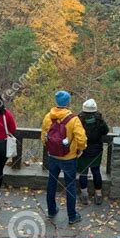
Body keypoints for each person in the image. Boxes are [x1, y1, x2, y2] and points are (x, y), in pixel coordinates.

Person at [42, 90, 87, 225]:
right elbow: (82, 138)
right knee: (70, 186)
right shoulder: (73, 119)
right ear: (68, 103)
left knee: (52, 182)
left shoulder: (48, 117)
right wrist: (80, 149)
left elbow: (44, 136)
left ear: (57, 102)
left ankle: (51, 210)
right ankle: (72, 216)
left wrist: (51, 148)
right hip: (68, 157)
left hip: (53, 156)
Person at [78, 99, 109, 205]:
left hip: (83, 150)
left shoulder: (79, 120)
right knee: (96, 172)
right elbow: (106, 131)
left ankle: (84, 195)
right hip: (96, 151)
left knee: (83, 173)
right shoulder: (99, 120)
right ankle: (98, 195)